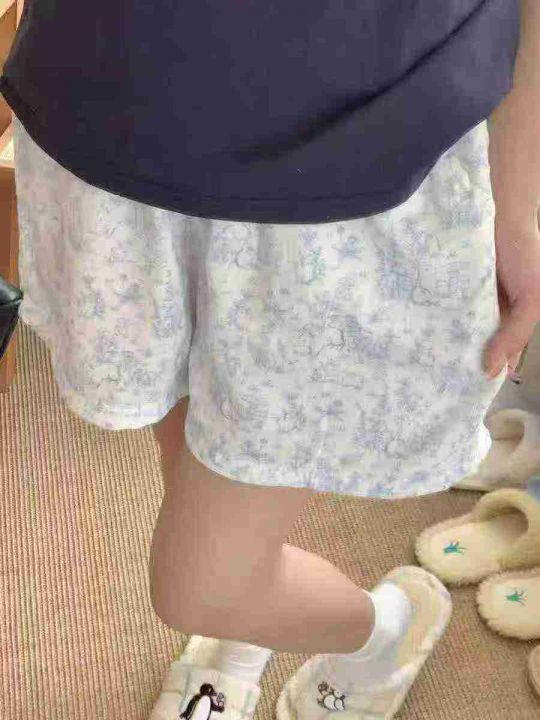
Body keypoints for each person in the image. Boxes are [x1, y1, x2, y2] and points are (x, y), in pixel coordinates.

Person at [2, 0, 540, 717]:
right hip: (110, 118)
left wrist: (517, 204)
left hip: (344, 176)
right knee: (194, 463)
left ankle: (386, 632)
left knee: (201, 587)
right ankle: (244, 629)